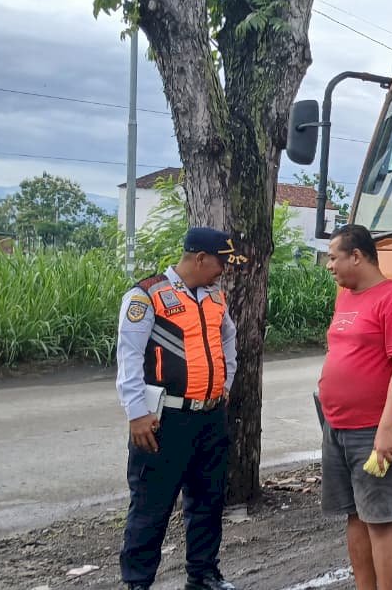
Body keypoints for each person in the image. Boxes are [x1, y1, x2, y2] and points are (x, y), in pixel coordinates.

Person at [115, 227, 247, 590]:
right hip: (163, 420)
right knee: (151, 506)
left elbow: (229, 347)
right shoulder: (147, 296)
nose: (224, 270)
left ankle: (203, 574)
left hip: (209, 418)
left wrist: (224, 387)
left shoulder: (215, 298)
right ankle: (137, 582)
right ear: (200, 258)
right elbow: (128, 358)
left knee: (207, 501)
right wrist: (137, 413)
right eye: (221, 262)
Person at [317, 224, 392, 590]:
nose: (329, 265)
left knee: (380, 519)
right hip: (338, 425)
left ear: (357, 256)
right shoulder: (345, 296)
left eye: (334, 257)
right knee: (355, 516)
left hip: (374, 429)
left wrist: (385, 428)